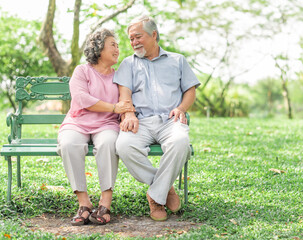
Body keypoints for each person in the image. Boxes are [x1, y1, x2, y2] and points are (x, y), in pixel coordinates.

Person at [113, 15, 200, 221]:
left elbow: (190, 91)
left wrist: (181, 108)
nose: (134, 43)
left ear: (153, 35)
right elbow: (124, 95)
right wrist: (129, 113)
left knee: (181, 143)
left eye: (138, 37)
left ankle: (155, 197)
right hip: (140, 121)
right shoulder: (128, 64)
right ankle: (164, 187)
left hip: (170, 120)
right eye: (131, 39)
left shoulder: (178, 60)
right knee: (124, 146)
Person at [57, 29, 135, 226]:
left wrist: (125, 111)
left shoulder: (118, 77)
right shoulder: (82, 71)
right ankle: (84, 204)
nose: (117, 49)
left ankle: (105, 204)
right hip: (78, 122)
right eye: (113, 45)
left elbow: (125, 102)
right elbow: (81, 98)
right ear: (99, 49)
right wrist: (113, 107)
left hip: (107, 124)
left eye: (117, 45)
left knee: (109, 143)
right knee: (68, 144)